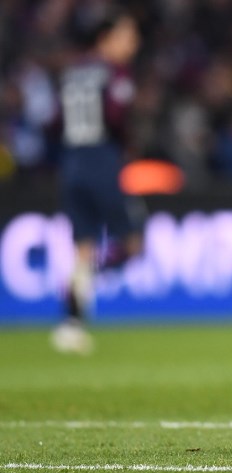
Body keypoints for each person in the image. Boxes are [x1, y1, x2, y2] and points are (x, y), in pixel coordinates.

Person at [49, 8, 144, 355]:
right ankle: (89, 280)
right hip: (102, 161)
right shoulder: (115, 72)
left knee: (83, 249)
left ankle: (70, 326)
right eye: (128, 36)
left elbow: (54, 122)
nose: (134, 43)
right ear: (107, 39)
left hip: (72, 164)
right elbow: (117, 117)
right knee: (134, 244)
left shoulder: (72, 73)